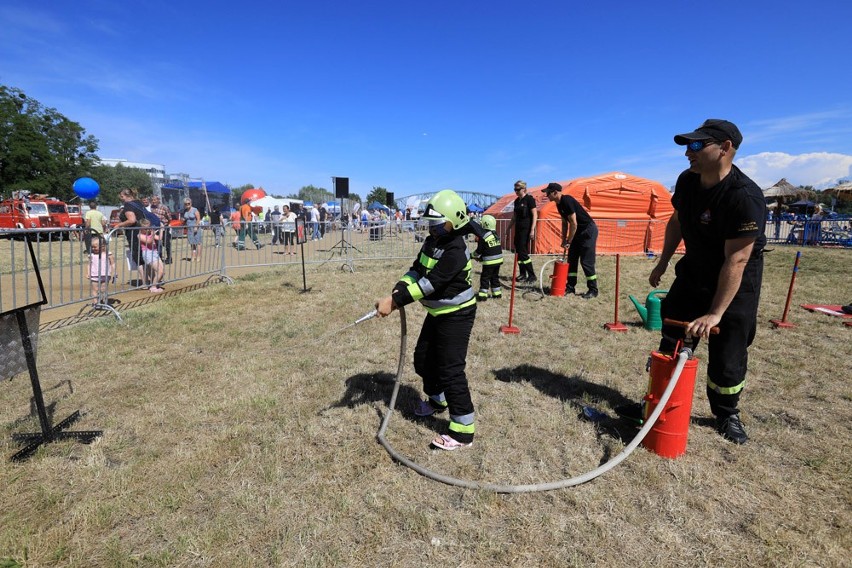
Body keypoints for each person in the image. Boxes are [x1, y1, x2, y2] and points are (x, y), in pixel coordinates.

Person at [618, 119, 766, 445]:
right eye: (687, 145)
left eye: (697, 145)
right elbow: (677, 220)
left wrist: (714, 313)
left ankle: (727, 413)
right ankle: (656, 403)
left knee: (728, 349)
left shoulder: (744, 198)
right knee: (672, 337)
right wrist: (664, 260)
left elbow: (737, 259)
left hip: (735, 280)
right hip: (694, 270)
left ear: (725, 148)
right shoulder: (688, 181)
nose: (688, 152)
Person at [375, 190, 478, 451]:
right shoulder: (432, 242)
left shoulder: (456, 249)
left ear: (453, 222)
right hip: (437, 313)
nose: (432, 229)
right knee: (423, 359)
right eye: (429, 224)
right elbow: (417, 270)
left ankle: (463, 431)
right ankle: (437, 401)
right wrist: (396, 291)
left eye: (437, 224)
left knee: (450, 369)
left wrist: (396, 302)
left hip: (457, 315)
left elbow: (430, 284)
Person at [543, 182, 600, 298]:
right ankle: (570, 287)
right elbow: (565, 224)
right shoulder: (559, 204)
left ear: (555, 192)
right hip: (577, 231)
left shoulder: (567, 201)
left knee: (586, 262)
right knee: (572, 260)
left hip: (587, 230)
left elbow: (574, 223)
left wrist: (569, 241)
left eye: (548, 193)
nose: (546, 195)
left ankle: (593, 290)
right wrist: (564, 239)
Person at [506, 180, 537, 282]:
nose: (516, 191)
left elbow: (534, 215)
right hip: (518, 229)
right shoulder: (516, 201)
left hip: (526, 229)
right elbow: (514, 217)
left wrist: (532, 229)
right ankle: (522, 274)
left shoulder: (529, 199)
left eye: (518, 189)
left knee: (523, 252)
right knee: (518, 252)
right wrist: (508, 228)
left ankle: (532, 275)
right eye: (514, 189)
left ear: (523, 189)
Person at [115, 188, 148, 286]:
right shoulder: (139, 203)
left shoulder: (128, 205)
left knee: (139, 257)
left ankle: (145, 282)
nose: (121, 198)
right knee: (147, 255)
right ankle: (153, 280)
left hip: (135, 234)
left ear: (123, 196)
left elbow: (132, 220)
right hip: (145, 232)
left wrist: (119, 225)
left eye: (121, 196)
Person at [472, 214, 503, 301]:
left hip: (489, 262)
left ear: (485, 224)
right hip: (498, 261)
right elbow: (491, 249)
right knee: (495, 277)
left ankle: (482, 295)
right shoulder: (495, 235)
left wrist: (472, 255)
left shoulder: (484, 236)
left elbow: (479, 250)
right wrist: (481, 257)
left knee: (485, 278)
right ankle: (497, 294)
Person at [138, 218, 165, 292]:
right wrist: (153, 234)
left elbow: (159, 238)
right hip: (148, 254)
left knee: (162, 271)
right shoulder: (139, 235)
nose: (148, 229)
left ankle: (155, 285)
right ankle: (153, 287)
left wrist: (161, 230)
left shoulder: (150, 233)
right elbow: (149, 242)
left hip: (155, 252)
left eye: (148, 227)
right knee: (160, 271)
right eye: (145, 228)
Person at [88, 235, 115, 305]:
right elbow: (89, 265)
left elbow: (112, 264)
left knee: (104, 289)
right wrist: (88, 273)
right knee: (95, 289)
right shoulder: (91, 255)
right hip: (94, 275)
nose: (93, 248)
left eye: (95, 247)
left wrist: (114, 272)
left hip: (105, 275)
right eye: (92, 247)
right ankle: (95, 303)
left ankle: (104, 302)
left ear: (102, 246)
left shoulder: (108, 254)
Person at [150, 195, 173, 263]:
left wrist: (165, 224)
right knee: (157, 244)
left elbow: (169, 217)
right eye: (152, 200)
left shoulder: (164, 207)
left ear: (158, 200)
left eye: (155, 200)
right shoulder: (151, 208)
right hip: (155, 228)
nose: (153, 201)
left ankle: (169, 258)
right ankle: (159, 258)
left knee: (166, 243)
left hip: (164, 227)